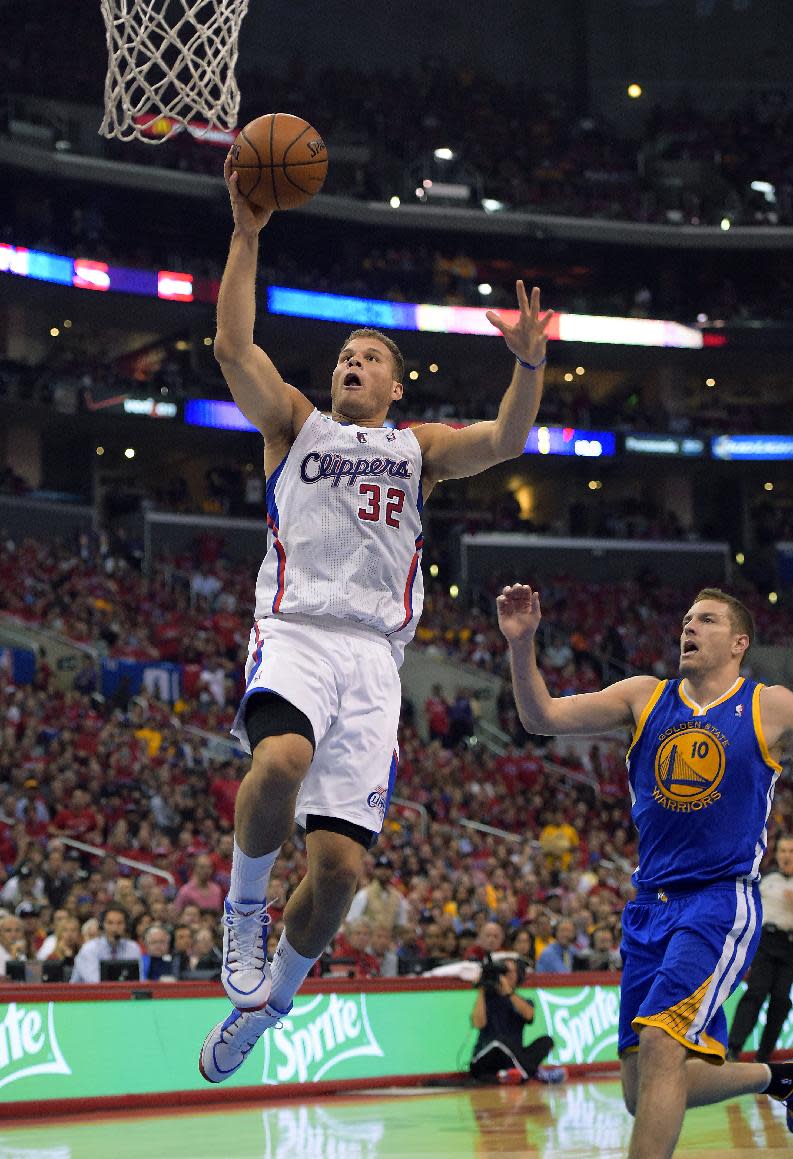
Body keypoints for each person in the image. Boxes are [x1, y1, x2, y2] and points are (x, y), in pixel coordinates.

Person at [199, 154, 554, 1084]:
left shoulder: (416, 449)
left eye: (370, 359)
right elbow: (235, 348)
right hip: (298, 631)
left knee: (343, 875)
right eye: (344, 357)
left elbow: (509, 439)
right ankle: (241, 909)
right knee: (279, 758)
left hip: (375, 663)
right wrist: (246, 233)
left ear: (396, 386)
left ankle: (269, 1006)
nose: (351, 364)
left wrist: (527, 366)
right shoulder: (295, 424)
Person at [496, 583, 793, 1155]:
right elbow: (542, 717)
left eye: (705, 620)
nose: (689, 627)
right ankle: (777, 1076)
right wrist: (522, 643)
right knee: (643, 1089)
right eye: (685, 619)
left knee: (661, 1042)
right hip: (649, 907)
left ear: (739, 642)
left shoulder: (767, 704)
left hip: (717, 900)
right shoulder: (644, 697)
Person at [728, 834, 793, 1063]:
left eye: (791, 851)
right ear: (777, 854)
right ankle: (733, 1048)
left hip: (790, 947)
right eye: (783, 851)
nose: (787, 855)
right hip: (766, 941)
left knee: (781, 1001)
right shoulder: (766, 879)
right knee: (756, 993)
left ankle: (764, 1055)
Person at [470, 957, 565, 1084]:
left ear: (518, 976)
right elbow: (478, 1023)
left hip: (512, 1058)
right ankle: (533, 1075)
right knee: (500, 1042)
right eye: (503, 972)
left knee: (546, 1041)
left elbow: (528, 1015)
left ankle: (509, 1075)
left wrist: (508, 991)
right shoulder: (486, 998)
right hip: (485, 1057)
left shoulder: (523, 1001)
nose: (506, 975)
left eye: (510, 972)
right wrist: (482, 989)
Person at [70, 905, 142, 984]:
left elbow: (139, 979)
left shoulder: (133, 948)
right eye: (110, 923)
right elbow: (95, 983)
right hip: (85, 995)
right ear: (102, 925)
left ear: (126, 926)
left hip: (120, 994)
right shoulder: (89, 949)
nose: (114, 928)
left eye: (119, 923)